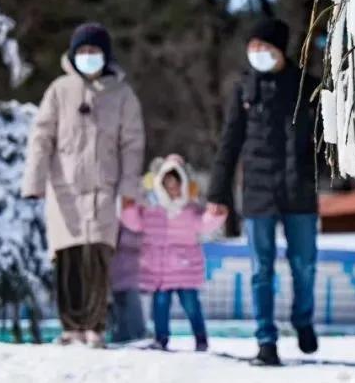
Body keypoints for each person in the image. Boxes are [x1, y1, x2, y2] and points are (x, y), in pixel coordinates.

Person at [21, 23, 145, 348]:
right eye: (83, 52)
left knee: (98, 258)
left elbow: (132, 144)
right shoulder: (59, 90)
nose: (88, 57)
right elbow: (41, 136)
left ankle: (95, 327)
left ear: (106, 56)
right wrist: (34, 180)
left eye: (94, 52)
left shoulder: (122, 94)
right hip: (65, 190)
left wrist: (130, 190)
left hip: (104, 189)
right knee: (67, 259)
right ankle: (70, 327)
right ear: (73, 55)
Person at [207, 18, 320, 366]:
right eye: (252, 47)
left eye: (265, 48)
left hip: (298, 189)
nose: (257, 54)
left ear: (279, 51)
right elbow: (229, 145)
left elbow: (325, 138)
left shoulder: (307, 87)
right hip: (257, 192)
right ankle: (265, 340)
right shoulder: (244, 90)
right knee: (261, 269)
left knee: (303, 264)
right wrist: (218, 193)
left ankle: (302, 320)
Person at [129, 154, 224, 351]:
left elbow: (204, 224)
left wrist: (217, 215)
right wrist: (127, 209)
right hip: (160, 271)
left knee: (191, 305)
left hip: (184, 269)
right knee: (160, 305)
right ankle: (161, 338)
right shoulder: (152, 211)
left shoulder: (190, 210)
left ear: (183, 184)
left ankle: (200, 338)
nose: (172, 189)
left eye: (175, 184)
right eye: (167, 185)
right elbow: (135, 223)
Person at [109, 202, 147, 344]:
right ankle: (122, 335)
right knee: (119, 309)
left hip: (129, 275)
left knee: (129, 307)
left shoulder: (137, 216)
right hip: (114, 274)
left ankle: (134, 335)